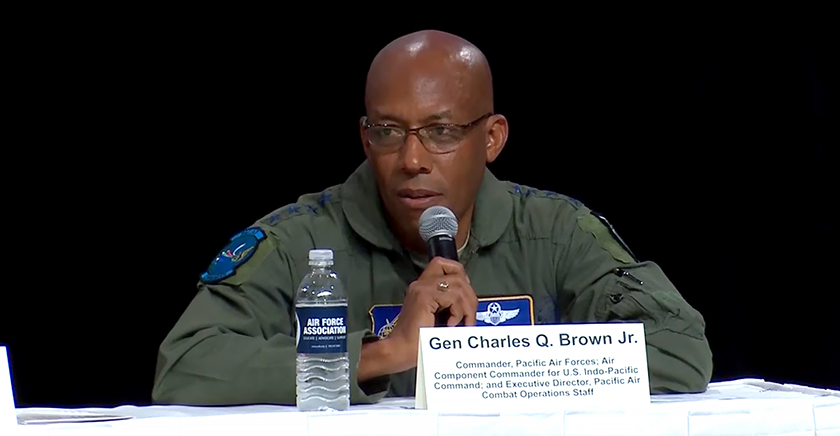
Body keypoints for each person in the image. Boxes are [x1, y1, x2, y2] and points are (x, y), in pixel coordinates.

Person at [152, 30, 712, 405]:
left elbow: (679, 350)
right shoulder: (300, 241)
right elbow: (187, 364)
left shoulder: (555, 233)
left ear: (491, 138)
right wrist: (386, 353)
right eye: (388, 132)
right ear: (365, 137)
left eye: (441, 133)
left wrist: (496, 367)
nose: (412, 159)